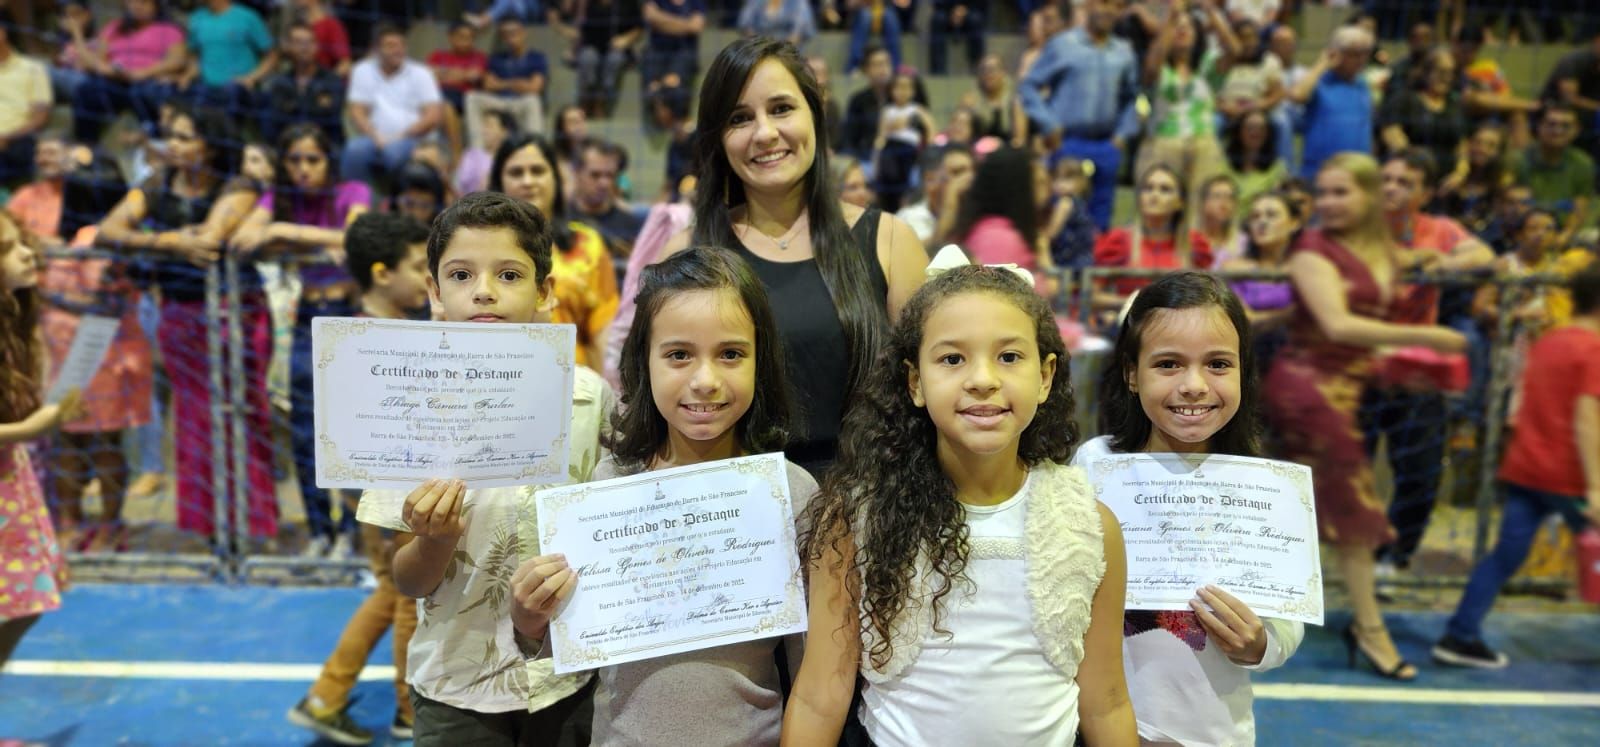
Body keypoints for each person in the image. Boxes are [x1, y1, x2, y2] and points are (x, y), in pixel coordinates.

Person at [782, 261, 1136, 745]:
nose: (982, 379)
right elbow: (819, 697)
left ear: (1045, 375)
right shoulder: (857, 518)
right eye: (952, 359)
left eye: (1009, 357)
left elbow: (1107, 701)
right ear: (915, 382)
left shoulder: (1091, 525)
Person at [510, 246, 815, 745]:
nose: (705, 381)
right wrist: (529, 617)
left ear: (760, 362)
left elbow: (814, 672)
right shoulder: (606, 488)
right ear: (643, 361)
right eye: (678, 355)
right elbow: (570, 642)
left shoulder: (792, 494)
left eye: (731, 354)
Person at [374, 192, 609, 744]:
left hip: (567, 678)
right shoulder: (403, 407)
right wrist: (435, 540)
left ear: (545, 291)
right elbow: (406, 579)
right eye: (461, 275)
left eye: (509, 274)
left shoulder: (590, 399)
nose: (484, 290)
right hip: (456, 687)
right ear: (435, 292)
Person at [665, 36, 927, 475]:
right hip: (733, 503)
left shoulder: (890, 241)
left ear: (814, 114)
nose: (765, 133)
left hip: (871, 498)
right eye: (739, 118)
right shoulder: (683, 254)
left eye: (782, 108)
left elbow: (931, 390)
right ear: (718, 138)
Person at [1074, 271, 1304, 746]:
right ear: (1132, 374)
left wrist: (1259, 643)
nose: (1194, 385)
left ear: (1243, 371)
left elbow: (1287, 621)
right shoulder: (1095, 465)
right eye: (1169, 364)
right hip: (1097, 729)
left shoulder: (1265, 489)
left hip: (1212, 733)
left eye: (1218, 364)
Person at [1261, 152, 1467, 683]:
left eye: (1341, 192)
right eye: (1323, 193)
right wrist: (1427, 338)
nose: (1327, 203)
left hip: (1349, 389)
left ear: (1371, 195)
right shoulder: (1312, 247)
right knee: (1354, 516)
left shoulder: (1381, 249)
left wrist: (1442, 260)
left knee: (1296, 506)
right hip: (1307, 389)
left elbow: (1471, 254)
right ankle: (1370, 630)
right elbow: (1337, 325)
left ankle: (1255, 609)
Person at [95, 103, 277, 542]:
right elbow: (107, 230)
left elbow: (210, 240)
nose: (173, 145)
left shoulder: (237, 185)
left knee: (241, 414)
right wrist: (172, 241)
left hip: (236, 312)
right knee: (194, 418)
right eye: (171, 136)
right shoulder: (156, 183)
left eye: (184, 137)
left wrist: (152, 241)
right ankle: (207, 525)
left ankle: (251, 524)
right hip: (179, 314)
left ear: (210, 146)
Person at [287, 212, 432, 746]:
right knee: (409, 601)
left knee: (391, 592)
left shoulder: (372, 332)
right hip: (387, 491)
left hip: (380, 490)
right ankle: (409, 710)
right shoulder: (365, 341)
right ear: (381, 273)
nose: (427, 279)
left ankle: (327, 696)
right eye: (417, 267)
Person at [1435, 267, 1600, 669]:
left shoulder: (1550, 341)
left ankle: (1460, 634)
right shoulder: (1594, 349)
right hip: (1570, 478)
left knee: (1504, 556)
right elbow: (1587, 419)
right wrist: (1596, 487)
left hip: (1527, 468)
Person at [232, 122, 373, 554]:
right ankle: (318, 530)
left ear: (329, 160)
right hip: (305, 319)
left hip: (349, 318)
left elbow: (357, 239)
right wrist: (296, 237)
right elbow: (244, 239)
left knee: (350, 429)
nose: (303, 169)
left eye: (313, 159)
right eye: (294, 160)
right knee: (304, 430)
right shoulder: (280, 199)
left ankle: (351, 531)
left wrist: (282, 233)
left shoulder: (353, 191)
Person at [0, 214, 85, 673]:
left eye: (22, 243)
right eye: (8, 249)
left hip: (10, 480)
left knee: (26, 600)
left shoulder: (16, 321)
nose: (27, 254)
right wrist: (28, 429)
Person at [490, 133, 619, 369]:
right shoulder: (478, 247)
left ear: (555, 179)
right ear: (500, 182)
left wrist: (605, 385)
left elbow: (603, 327)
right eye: (516, 173)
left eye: (538, 171)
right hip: (494, 376)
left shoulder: (586, 243)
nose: (528, 181)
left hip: (572, 377)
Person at [1020, 0, 1142, 230]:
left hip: (1107, 145)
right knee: (1062, 217)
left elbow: (1134, 98)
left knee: (1101, 222)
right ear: (1089, 5)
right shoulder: (1062, 44)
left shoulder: (1124, 51)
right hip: (1067, 142)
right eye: (1103, 3)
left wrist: (1122, 135)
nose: (1108, 10)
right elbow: (1029, 86)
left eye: (1115, 5)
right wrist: (1048, 124)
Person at [1093, 164, 1214, 305]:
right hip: (1131, 317)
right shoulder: (1118, 240)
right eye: (1148, 188)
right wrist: (1136, 304)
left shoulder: (1195, 243)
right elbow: (1092, 296)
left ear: (1180, 202)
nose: (1154, 195)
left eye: (1165, 189)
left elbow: (1208, 298)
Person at [69, 0, 187, 144]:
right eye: (132, 2)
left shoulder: (169, 31)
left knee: (147, 93)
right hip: (115, 81)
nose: (137, 6)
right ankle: (86, 146)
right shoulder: (114, 28)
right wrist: (109, 70)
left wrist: (143, 73)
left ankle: (157, 142)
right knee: (86, 90)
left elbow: (177, 60)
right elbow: (96, 60)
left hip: (148, 82)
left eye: (144, 3)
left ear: (155, 6)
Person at [343, 24, 445, 185]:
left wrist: (401, 136)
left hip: (412, 139)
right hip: (373, 138)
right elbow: (357, 111)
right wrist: (375, 136)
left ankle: (395, 199)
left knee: (394, 153)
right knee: (354, 149)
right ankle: (357, 196)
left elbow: (433, 116)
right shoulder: (362, 70)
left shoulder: (422, 73)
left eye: (401, 45)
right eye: (390, 46)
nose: (398, 50)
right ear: (376, 49)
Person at [1289, 25, 1375, 180]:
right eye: (1354, 54)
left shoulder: (1362, 83)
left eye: (1365, 53)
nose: (1361, 60)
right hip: (1319, 170)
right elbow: (1298, 95)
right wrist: (1323, 63)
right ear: (1336, 54)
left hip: (1356, 172)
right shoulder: (1320, 80)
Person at [1514, 104, 1595, 248]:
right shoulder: (1519, 159)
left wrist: (1564, 237)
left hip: (1561, 234)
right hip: (1524, 232)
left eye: (1566, 126)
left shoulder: (1583, 163)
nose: (1558, 131)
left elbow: (1579, 210)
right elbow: (1511, 208)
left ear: (1576, 130)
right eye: (1551, 124)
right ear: (1539, 126)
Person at [953, 146, 1044, 271]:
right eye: (1039, 183)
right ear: (1019, 187)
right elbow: (990, 283)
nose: (1047, 190)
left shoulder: (1002, 231)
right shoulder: (998, 239)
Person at [1378, 49, 1468, 173]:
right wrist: (1420, 169)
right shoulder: (1404, 100)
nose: (1446, 78)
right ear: (1426, 72)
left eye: (1450, 73)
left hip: (1447, 179)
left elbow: (1461, 144)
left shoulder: (1454, 106)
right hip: (1411, 173)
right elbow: (1392, 135)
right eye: (1441, 72)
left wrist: (1460, 172)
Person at [465, 18, 547, 152]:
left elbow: (535, 88)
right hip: (499, 101)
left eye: (514, 32)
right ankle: (478, 152)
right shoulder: (496, 58)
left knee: (533, 100)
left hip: (522, 102)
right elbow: (488, 85)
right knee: (472, 97)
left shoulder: (536, 57)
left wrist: (502, 83)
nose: (510, 37)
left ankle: (535, 150)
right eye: (506, 34)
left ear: (523, 33)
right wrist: (516, 83)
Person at [181, 0, 276, 115]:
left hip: (239, 92)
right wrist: (189, 74)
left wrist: (251, 77)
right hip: (206, 89)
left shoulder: (248, 17)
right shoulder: (196, 18)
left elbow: (272, 56)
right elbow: (193, 54)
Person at [259, 22, 347, 145]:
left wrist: (292, 106)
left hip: (326, 145)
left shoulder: (331, 80)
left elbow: (330, 114)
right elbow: (278, 118)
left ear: (317, 46)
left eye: (310, 42)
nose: (305, 47)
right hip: (288, 145)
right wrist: (315, 105)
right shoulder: (279, 82)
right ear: (288, 46)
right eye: (299, 42)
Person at [0, 8, 53, 188]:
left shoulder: (33, 69)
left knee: (21, 149)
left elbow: (40, 118)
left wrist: (8, 137)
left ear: (3, 32)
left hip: (16, 140)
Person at [569, 138, 644, 256]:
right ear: (576, 173)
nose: (604, 184)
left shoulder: (630, 226)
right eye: (595, 175)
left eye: (610, 175)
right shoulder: (559, 220)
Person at [872, 71, 933, 213]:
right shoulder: (887, 110)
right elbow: (881, 135)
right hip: (889, 149)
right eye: (898, 87)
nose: (902, 91)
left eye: (906, 87)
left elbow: (930, 131)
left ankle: (901, 199)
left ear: (913, 91)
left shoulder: (918, 110)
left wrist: (927, 149)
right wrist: (877, 152)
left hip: (909, 150)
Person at [897, 143, 973, 249]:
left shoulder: (974, 214)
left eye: (973, 171)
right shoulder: (909, 217)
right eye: (957, 172)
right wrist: (950, 206)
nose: (969, 178)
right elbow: (928, 254)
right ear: (930, 180)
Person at [575, 0, 644, 118]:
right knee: (587, 57)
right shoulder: (589, 3)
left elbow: (639, 28)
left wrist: (626, 39)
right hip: (592, 46)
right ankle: (587, 98)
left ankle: (601, 101)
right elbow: (581, 29)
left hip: (618, 48)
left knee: (614, 59)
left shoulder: (629, 3)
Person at [840, 45, 894, 162]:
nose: (883, 69)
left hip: (899, 158)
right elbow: (849, 138)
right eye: (877, 64)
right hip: (866, 158)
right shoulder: (858, 100)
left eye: (886, 63)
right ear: (867, 70)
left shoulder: (902, 97)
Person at [427, 22, 488, 113]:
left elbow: (474, 76)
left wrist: (443, 74)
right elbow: (428, 76)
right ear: (450, 37)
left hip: (462, 96)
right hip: (436, 92)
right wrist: (463, 74)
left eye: (471, 38)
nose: (466, 42)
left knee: (444, 104)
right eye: (462, 37)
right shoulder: (438, 55)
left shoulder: (479, 57)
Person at [928, 0, 985, 76]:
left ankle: (976, 66)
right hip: (946, 10)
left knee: (975, 19)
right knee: (938, 19)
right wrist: (951, 10)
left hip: (969, 10)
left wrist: (964, 9)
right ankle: (939, 69)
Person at [1196, 175, 1243, 259]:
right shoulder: (1188, 242)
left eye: (1230, 197)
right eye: (1217, 196)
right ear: (1203, 203)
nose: (1224, 203)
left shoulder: (1243, 244)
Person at [738, 0, 817, 50]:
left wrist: (780, 49)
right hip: (758, 48)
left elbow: (801, 30)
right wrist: (760, 45)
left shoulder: (798, 2)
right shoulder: (755, 2)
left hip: (789, 51)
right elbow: (745, 25)